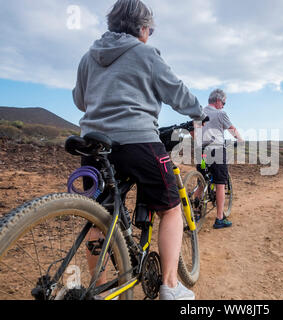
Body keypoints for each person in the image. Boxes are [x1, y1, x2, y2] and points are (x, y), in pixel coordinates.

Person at [72, 0, 207, 300]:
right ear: (143, 28)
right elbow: (177, 92)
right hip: (138, 141)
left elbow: (80, 101)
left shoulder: (88, 57)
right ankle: (170, 286)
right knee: (170, 209)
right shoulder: (145, 53)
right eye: (150, 30)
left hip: (94, 144)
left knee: (99, 217)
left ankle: (99, 287)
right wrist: (199, 112)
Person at [195, 89, 243, 229]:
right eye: (223, 102)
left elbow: (194, 132)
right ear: (217, 101)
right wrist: (240, 140)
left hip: (201, 153)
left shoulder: (199, 113)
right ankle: (220, 219)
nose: (223, 105)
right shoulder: (221, 113)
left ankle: (196, 213)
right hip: (216, 151)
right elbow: (231, 129)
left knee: (201, 181)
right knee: (220, 184)